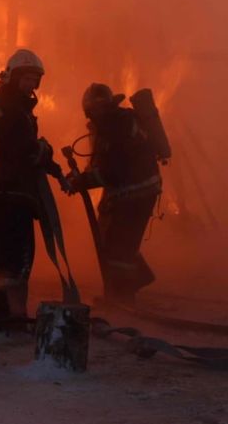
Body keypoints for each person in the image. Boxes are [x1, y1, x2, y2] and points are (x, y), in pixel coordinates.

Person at [0, 48, 65, 316]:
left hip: (4, 188)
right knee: (17, 253)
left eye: (35, 79)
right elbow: (23, 150)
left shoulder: (9, 105)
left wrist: (54, 168)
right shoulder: (11, 108)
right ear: (14, 77)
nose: (31, 84)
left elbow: (24, 148)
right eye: (26, 78)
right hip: (12, 190)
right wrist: (44, 151)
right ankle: (12, 313)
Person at [69, 83, 162, 304]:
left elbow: (112, 170)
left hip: (136, 192)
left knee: (118, 247)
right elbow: (102, 165)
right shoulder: (114, 122)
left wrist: (83, 181)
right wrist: (82, 178)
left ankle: (121, 295)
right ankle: (135, 280)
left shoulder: (114, 127)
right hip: (134, 190)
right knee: (118, 241)